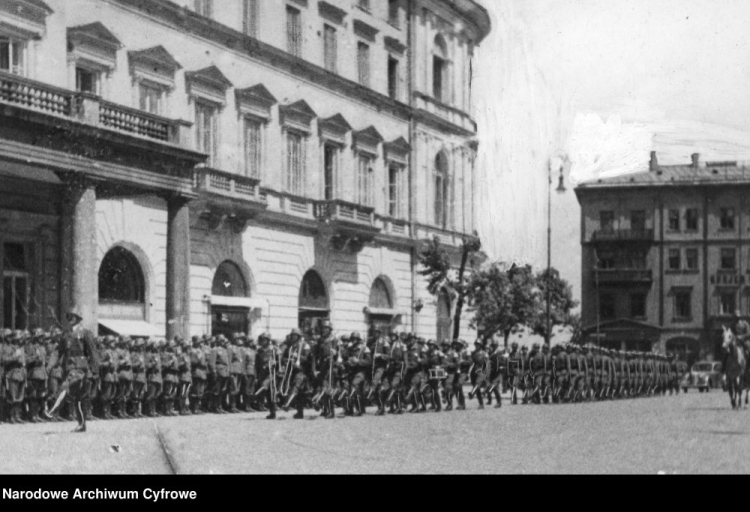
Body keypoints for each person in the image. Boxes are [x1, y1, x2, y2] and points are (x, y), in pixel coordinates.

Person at [46, 308, 100, 432]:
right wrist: (50, 364)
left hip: (81, 369)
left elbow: (93, 352)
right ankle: (81, 425)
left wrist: (95, 371)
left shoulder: (86, 333)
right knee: (78, 398)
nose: (70, 319)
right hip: (69, 367)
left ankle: (52, 410)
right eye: (69, 316)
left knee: (66, 386)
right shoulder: (65, 334)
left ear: (78, 319)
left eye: (73, 317)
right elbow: (58, 351)